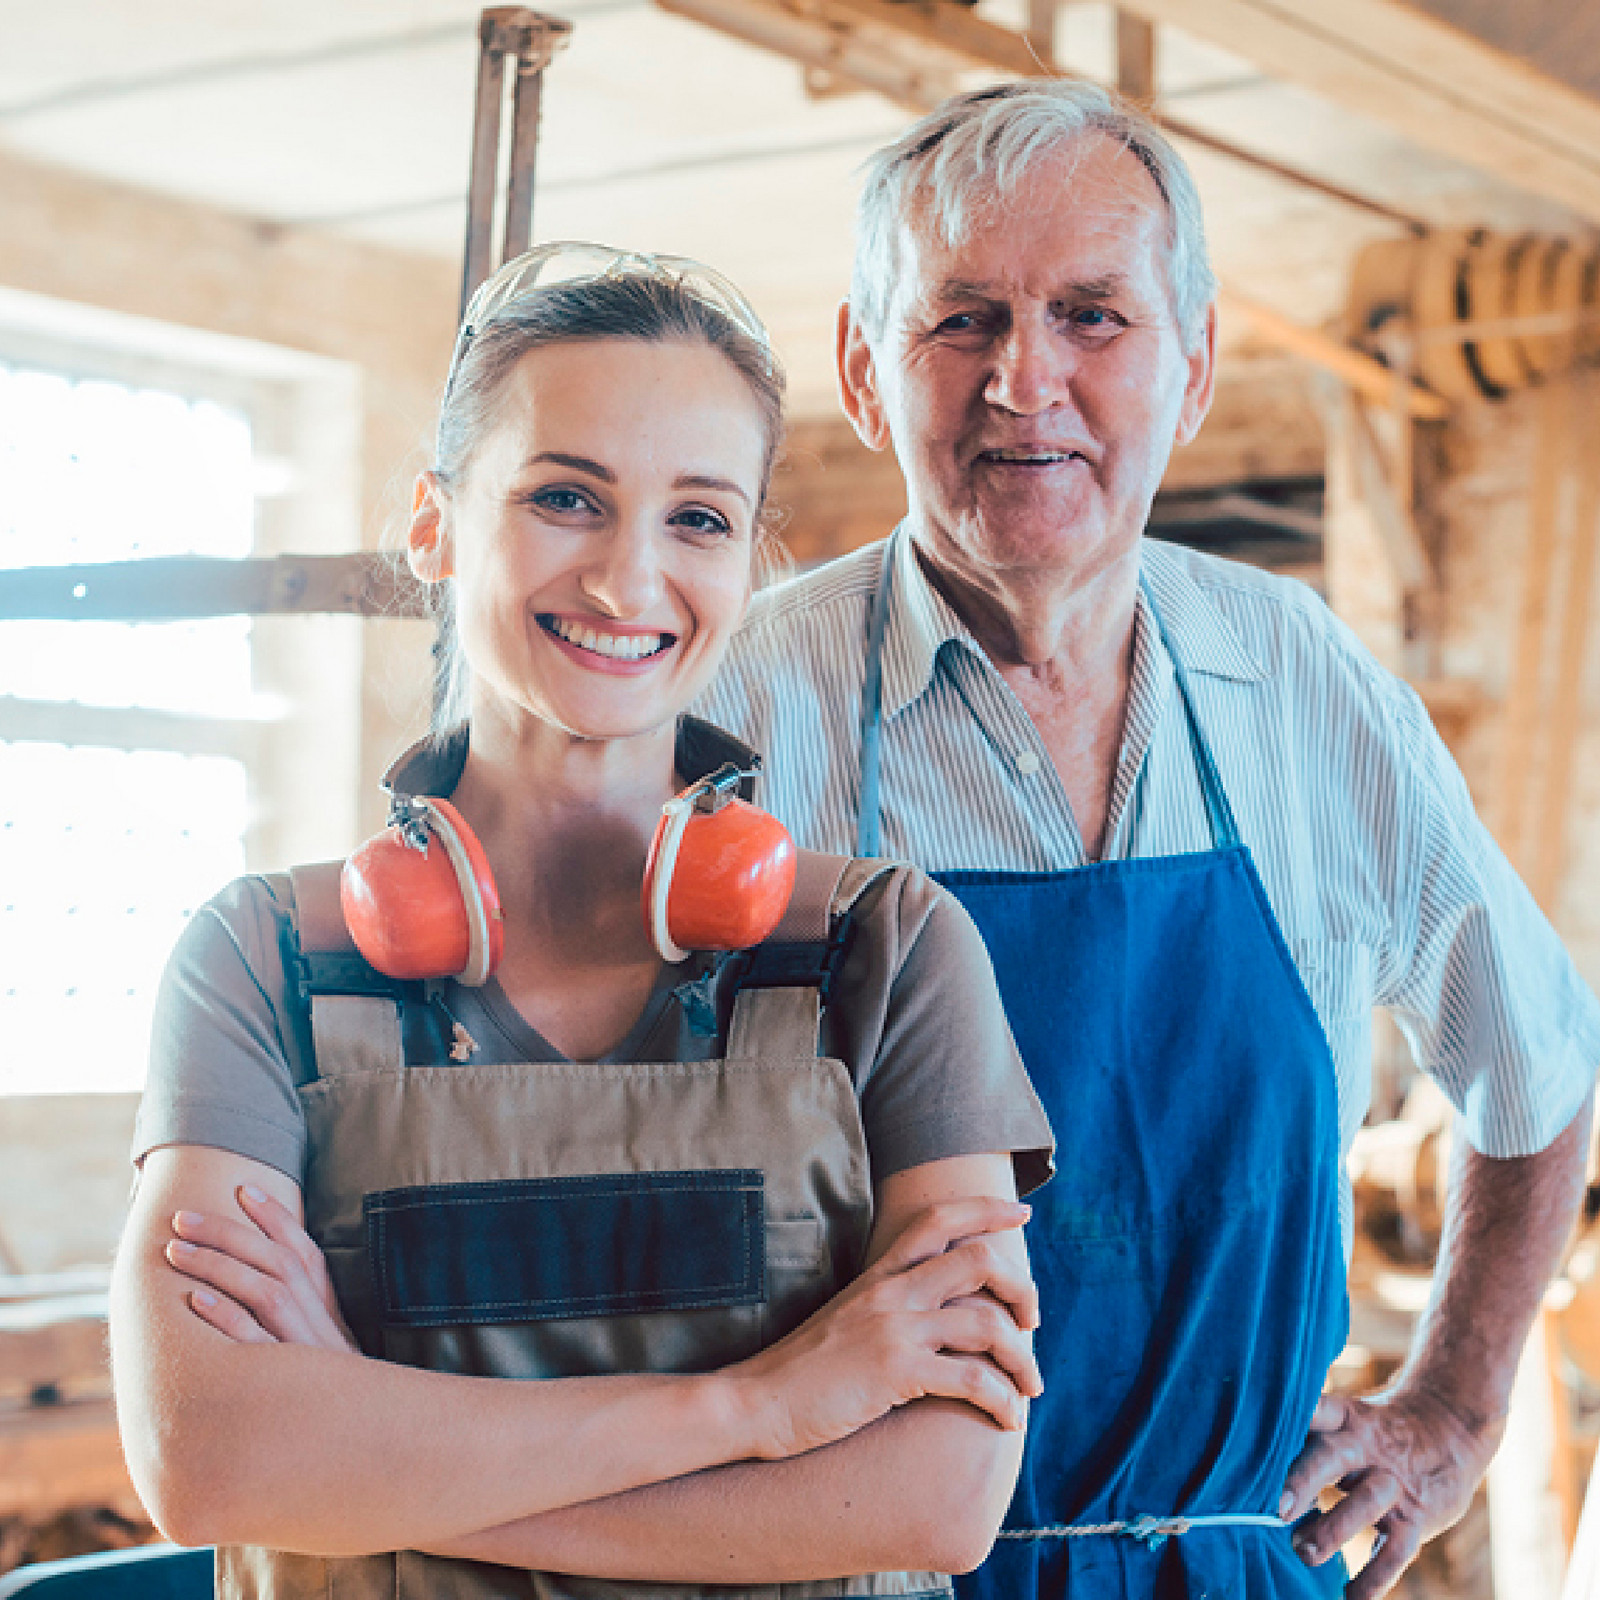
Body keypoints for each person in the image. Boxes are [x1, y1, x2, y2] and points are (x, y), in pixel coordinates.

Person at [690, 82, 1600, 1600]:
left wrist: (1455, 1408)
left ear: (1194, 366)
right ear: (862, 369)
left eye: (1093, 317)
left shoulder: (1302, 682)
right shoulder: (729, 709)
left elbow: (1542, 1066)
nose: (1023, 380)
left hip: (1231, 1568)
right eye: (960, 320)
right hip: (845, 1579)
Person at [109, 243, 1055, 1600]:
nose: (627, 582)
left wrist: (367, 1458)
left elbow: (934, 1497)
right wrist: (768, 1410)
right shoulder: (265, 963)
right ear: (434, 525)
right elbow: (209, 1460)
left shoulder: (885, 953)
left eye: (699, 518)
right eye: (565, 497)